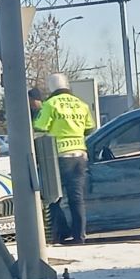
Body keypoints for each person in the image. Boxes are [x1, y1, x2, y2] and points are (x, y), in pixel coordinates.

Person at [34, 73, 95, 245]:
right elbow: (89, 128)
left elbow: (40, 126)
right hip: (80, 155)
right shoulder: (81, 104)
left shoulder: (51, 104)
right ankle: (79, 236)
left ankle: (60, 233)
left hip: (58, 156)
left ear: (51, 87)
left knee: (53, 197)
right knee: (77, 198)